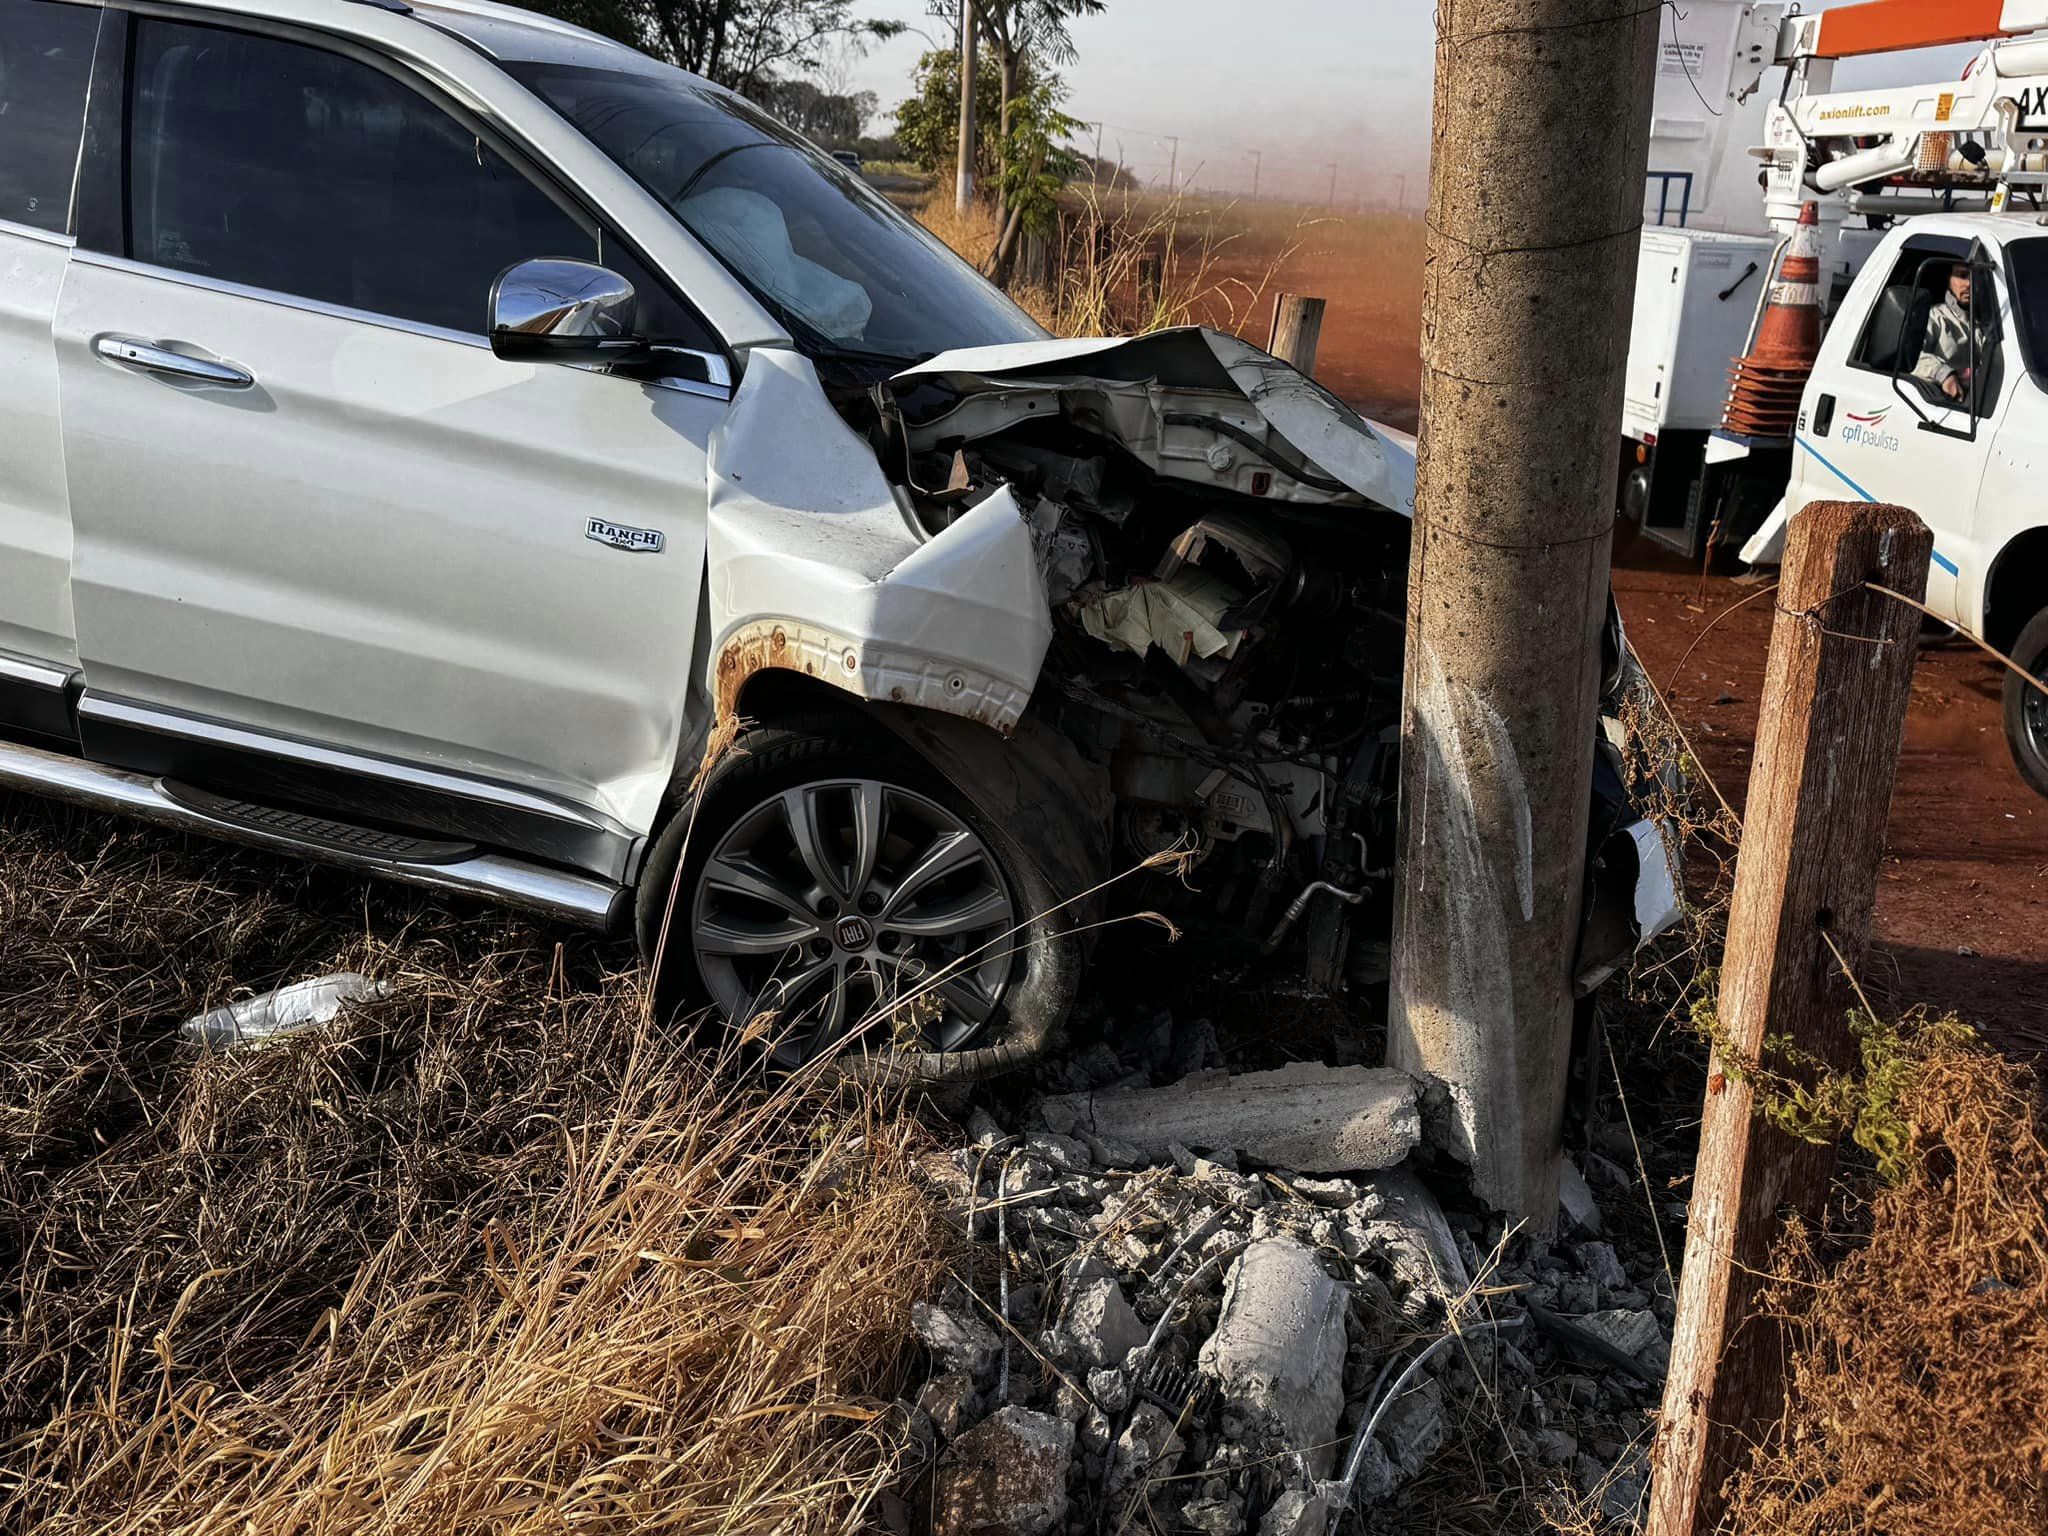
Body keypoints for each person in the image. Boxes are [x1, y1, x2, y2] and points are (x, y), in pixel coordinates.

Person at [1913, 264, 1994, 404]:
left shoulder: (1990, 324)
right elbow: (1910, 358)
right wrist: (1944, 374)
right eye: (1962, 275)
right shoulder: (1934, 317)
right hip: (1941, 406)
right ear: (1948, 280)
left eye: (1975, 276)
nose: (1969, 283)